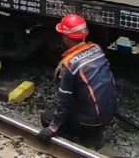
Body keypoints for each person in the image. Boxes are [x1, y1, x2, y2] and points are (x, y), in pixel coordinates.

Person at [37, 14, 117, 149]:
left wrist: (52, 128)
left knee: (46, 118)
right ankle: (91, 130)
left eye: (62, 34)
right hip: (110, 114)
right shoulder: (96, 49)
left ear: (67, 37)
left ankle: (83, 138)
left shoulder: (69, 65)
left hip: (91, 121)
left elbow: (64, 102)